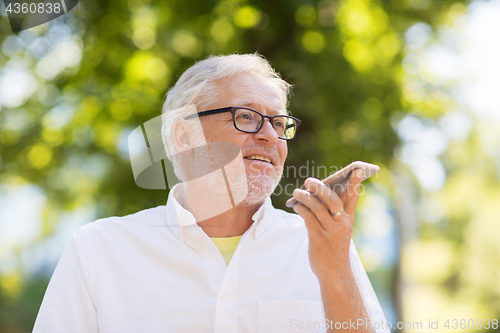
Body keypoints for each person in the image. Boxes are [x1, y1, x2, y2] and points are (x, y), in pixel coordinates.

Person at [33, 53, 389, 333]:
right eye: (247, 117)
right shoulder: (98, 251)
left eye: (279, 123)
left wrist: (336, 275)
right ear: (185, 136)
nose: (269, 136)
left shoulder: (322, 246)